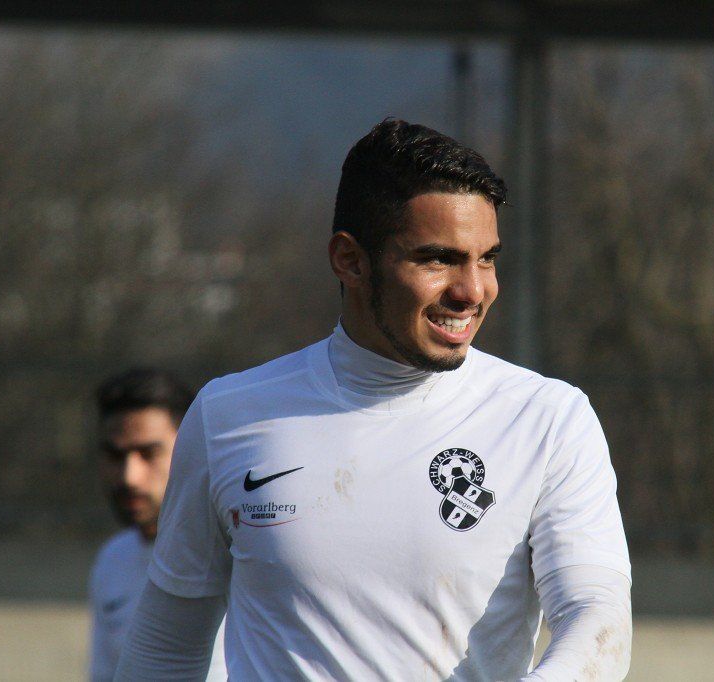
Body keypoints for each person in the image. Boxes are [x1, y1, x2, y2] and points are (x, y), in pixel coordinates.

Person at [116, 119, 632, 680]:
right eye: (438, 259)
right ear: (350, 260)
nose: (472, 290)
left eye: (486, 258)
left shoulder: (548, 419)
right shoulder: (227, 415)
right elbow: (165, 651)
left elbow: (595, 616)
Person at [90, 369, 227, 681]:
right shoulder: (112, 559)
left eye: (148, 453)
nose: (129, 476)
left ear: (190, 448)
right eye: (115, 455)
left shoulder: (239, 547)